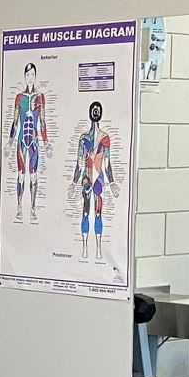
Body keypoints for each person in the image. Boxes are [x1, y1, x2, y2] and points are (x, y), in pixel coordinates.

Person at [70, 100, 119, 262]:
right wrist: (74, 182)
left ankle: (98, 247)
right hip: (86, 180)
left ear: (101, 113)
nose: (96, 112)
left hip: (99, 180)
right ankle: (84, 246)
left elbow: (107, 162)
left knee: (98, 213)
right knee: (85, 212)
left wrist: (112, 182)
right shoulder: (83, 138)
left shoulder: (105, 138)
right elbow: (79, 162)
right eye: (93, 109)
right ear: (90, 113)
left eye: (98, 110)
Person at [8, 62, 46, 220]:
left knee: (34, 175)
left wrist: (46, 141)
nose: (30, 77)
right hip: (21, 141)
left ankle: (32, 207)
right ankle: (19, 206)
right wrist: (10, 140)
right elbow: (15, 121)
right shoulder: (19, 98)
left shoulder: (40, 97)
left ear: (35, 76)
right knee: (21, 175)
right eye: (28, 74)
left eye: (32, 74)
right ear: (25, 76)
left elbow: (42, 121)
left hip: (34, 141)